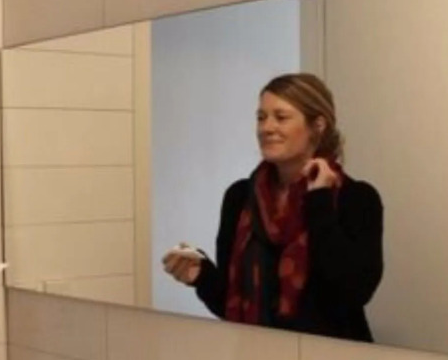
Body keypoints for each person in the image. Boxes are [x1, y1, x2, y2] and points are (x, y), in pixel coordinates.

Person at [162, 73, 383, 341]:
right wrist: (201, 276)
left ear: (317, 125)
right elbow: (232, 305)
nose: (266, 128)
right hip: (258, 357)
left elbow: (355, 292)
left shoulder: (356, 198)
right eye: (261, 117)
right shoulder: (240, 197)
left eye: (281, 117)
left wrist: (320, 201)